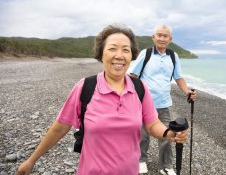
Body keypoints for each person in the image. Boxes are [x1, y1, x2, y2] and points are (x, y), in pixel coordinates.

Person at [17, 24, 188, 175]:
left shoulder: (139, 88)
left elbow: (152, 124)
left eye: (126, 50)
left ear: (131, 56)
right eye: (112, 48)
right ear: (101, 53)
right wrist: (32, 160)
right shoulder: (85, 88)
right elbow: (59, 128)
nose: (119, 55)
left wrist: (169, 134)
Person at [128, 25, 196, 175]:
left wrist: (187, 92)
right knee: (143, 135)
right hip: (144, 104)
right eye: (159, 35)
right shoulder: (145, 54)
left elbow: (178, 77)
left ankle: (165, 165)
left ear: (170, 39)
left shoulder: (173, 56)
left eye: (165, 36)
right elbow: (132, 75)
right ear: (153, 37)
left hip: (164, 103)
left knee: (167, 134)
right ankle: (141, 161)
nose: (162, 38)